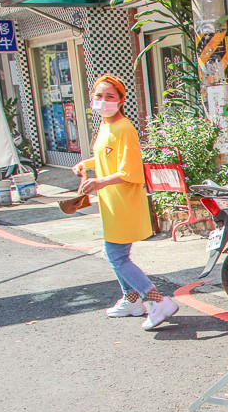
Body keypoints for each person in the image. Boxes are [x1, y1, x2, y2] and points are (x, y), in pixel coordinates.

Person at [72, 74, 179, 330]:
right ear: (92, 98)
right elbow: (107, 159)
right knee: (114, 254)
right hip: (112, 202)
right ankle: (131, 300)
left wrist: (99, 182)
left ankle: (156, 300)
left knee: (116, 255)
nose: (104, 101)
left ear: (121, 100)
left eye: (110, 96)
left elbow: (130, 171)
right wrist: (85, 165)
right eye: (99, 96)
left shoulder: (124, 128)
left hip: (123, 202)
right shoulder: (106, 125)